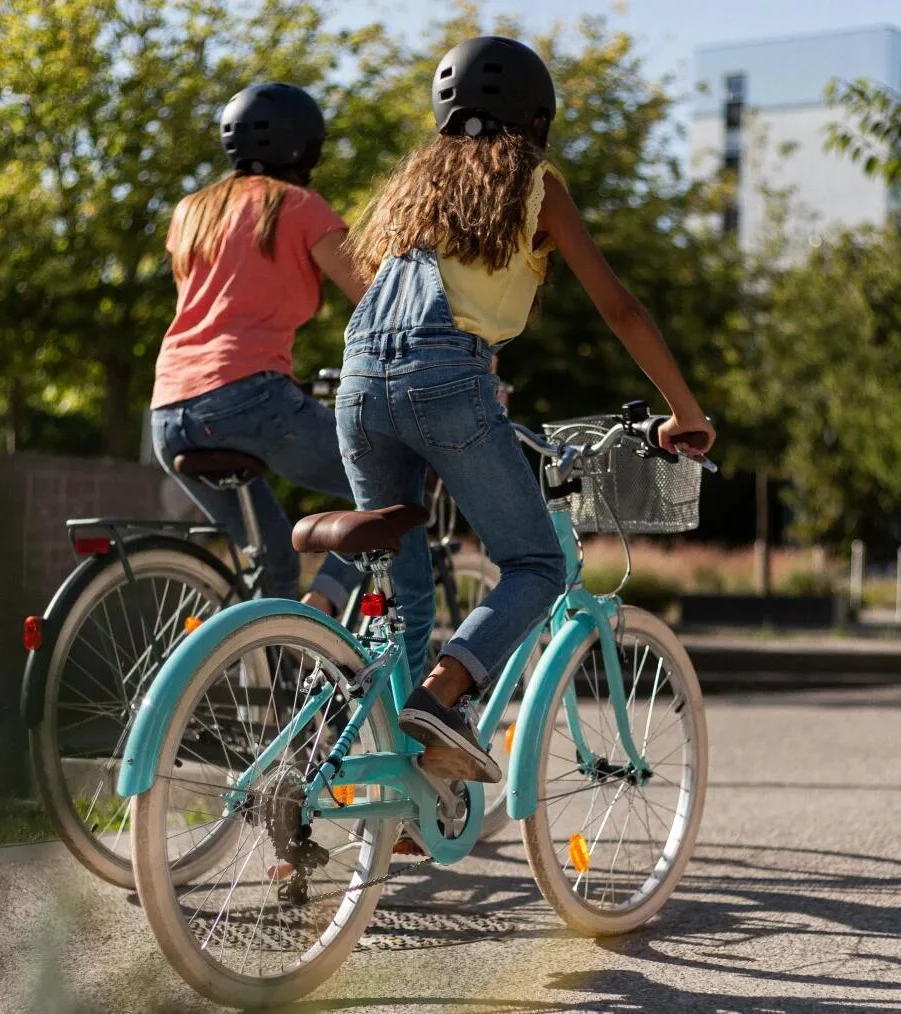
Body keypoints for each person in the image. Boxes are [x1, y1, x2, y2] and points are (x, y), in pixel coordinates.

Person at [337, 37, 716, 782]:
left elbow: (405, 300)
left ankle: (390, 783)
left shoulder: (412, 189)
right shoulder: (533, 184)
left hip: (356, 383)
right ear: (535, 118)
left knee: (408, 590)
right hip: (449, 384)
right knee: (536, 563)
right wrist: (686, 411)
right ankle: (444, 697)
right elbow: (621, 306)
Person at [151, 83, 366, 615]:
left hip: (168, 411)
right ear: (306, 147)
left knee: (275, 559)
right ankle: (322, 609)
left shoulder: (191, 212)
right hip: (248, 396)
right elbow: (377, 293)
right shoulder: (300, 206)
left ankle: (271, 685)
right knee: (394, 484)